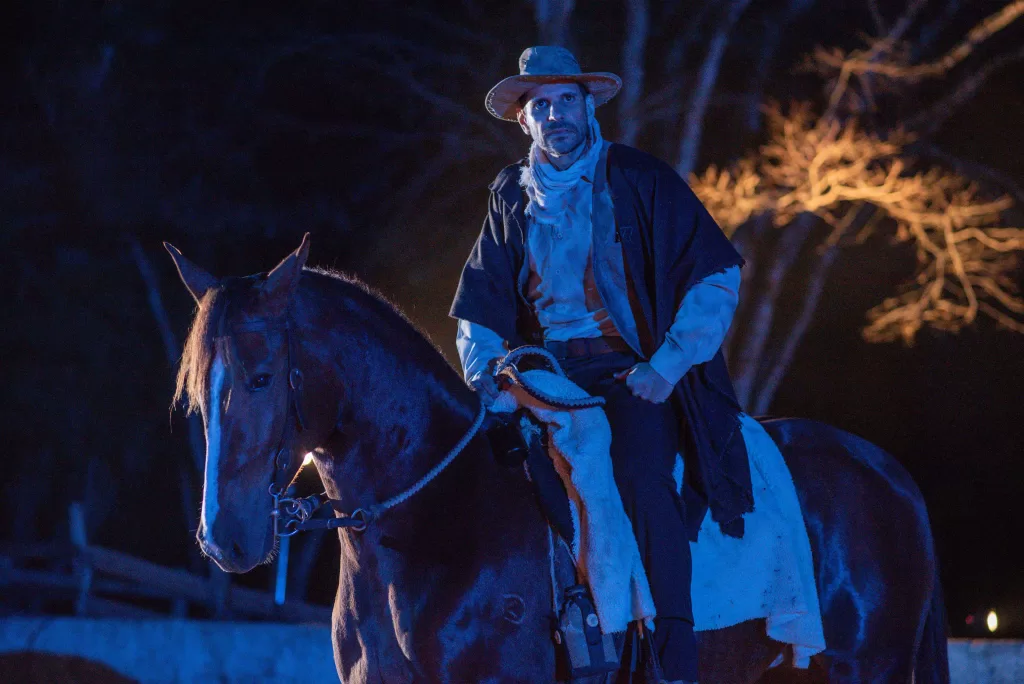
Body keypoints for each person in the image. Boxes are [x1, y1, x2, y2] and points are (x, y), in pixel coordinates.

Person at [449, 46, 754, 684]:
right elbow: (480, 303)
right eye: (541, 105)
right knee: (492, 475)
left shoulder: (639, 177)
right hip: (543, 374)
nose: (555, 115)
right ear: (524, 121)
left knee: (641, 476)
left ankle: (672, 652)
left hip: (628, 370)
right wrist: (487, 374)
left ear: (589, 107)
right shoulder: (510, 194)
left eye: (566, 100)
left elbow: (716, 274)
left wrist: (666, 366)